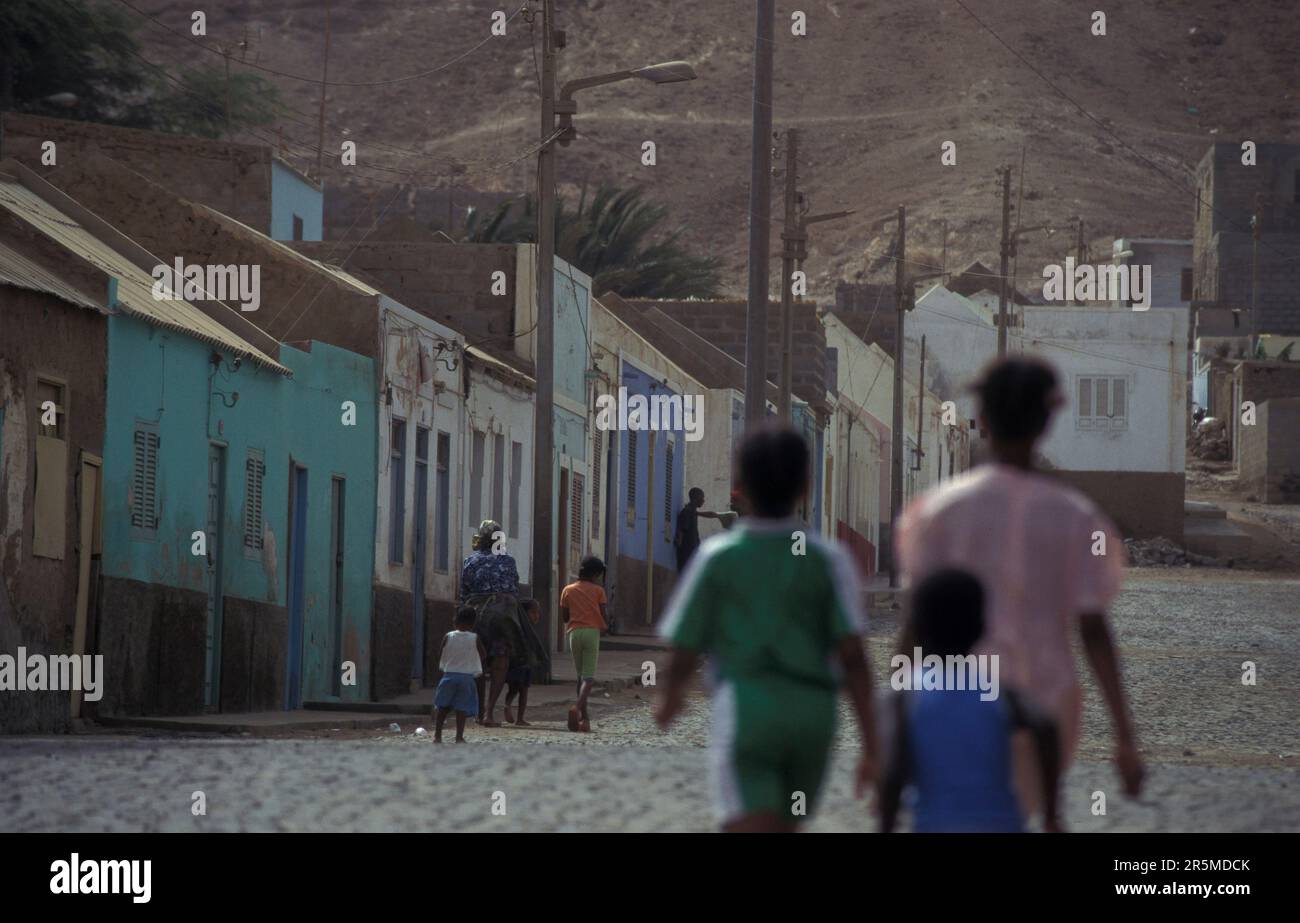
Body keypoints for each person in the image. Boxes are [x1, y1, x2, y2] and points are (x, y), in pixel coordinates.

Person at [896, 356, 1144, 817]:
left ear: (983, 420)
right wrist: (1125, 735)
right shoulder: (1076, 518)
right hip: (1045, 709)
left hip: (957, 707)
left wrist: (894, 714)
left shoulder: (937, 512)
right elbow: (1093, 628)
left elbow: (915, 621)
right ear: (1047, 421)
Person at [656, 422, 880, 832]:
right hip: (813, 718)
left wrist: (671, 697)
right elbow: (854, 657)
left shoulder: (720, 556)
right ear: (806, 486)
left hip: (748, 710)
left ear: (740, 486)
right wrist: (872, 743)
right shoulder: (828, 560)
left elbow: (685, 646)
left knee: (749, 821)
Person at [878, 569, 1061, 833]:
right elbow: (1047, 728)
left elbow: (893, 773)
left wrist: (885, 826)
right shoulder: (999, 692)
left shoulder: (903, 695)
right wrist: (1052, 813)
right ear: (981, 628)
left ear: (916, 627)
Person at [460, 519, 548, 727]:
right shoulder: (508, 561)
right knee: (501, 663)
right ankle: (490, 712)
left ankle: (479, 712)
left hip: (478, 615)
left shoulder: (470, 561)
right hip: (504, 617)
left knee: (479, 664)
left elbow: (464, 592)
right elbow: (514, 589)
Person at [560, 556, 609, 732]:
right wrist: (605, 625)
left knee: (580, 677)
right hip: (591, 633)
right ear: (595, 574)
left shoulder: (567, 590)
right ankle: (577, 708)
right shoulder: (599, 591)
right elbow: (604, 614)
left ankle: (585, 720)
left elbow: (565, 617)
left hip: (573, 633)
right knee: (588, 678)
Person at [433, 607, 487, 743]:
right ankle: (459, 737)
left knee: (442, 707)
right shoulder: (475, 638)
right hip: (466, 678)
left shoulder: (448, 636)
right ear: (473, 623)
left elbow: (440, 653)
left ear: (455, 620)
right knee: (461, 708)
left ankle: (437, 736)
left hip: (448, 676)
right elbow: (483, 654)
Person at [502, 599, 541, 726]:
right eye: (533, 612)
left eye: (538, 613)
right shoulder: (523, 628)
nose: (536, 616)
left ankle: (511, 709)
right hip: (521, 663)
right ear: (524, 614)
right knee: (520, 690)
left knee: (517, 690)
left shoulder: (525, 627)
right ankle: (516, 715)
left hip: (520, 663)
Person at [673, 487, 720, 570]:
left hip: (692, 553)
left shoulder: (692, 512)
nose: (703, 500)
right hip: (687, 553)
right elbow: (682, 530)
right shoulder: (687, 512)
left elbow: (707, 514)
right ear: (695, 498)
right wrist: (679, 540)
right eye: (702, 498)